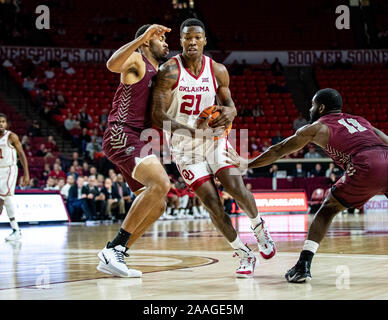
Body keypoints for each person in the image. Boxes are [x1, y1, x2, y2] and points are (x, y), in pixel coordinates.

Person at [151, 18, 275, 278]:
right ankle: (243, 252)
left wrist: (230, 112)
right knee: (211, 203)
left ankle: (259, 228)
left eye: (197, 37)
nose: (192, 41)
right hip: (184, 146)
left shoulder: (217, 70)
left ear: (205, 40)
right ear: (180, 41)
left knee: (237, 188)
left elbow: (230, 105)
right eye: (187, 37)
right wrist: (193, 131)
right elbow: (157, 116)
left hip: (214, 140)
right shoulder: (169, 71)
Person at [225, 88, 388, 283]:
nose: (310, 110)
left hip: (365, 164)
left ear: (321, 107)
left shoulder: (317, 127)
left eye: (312, 106)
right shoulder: (361, 121)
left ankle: (303, 264)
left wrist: (247, 163)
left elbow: (279, 150)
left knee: (328, 209)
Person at [97, 24, 172, 278]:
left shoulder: (159, 73)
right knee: (161, 182)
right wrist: (141, 37)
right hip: (121, 133)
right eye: (159, 39)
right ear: (146, 42)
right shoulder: (137, 61)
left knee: (158, 205)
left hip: (137, 137)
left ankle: (115, 252)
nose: (165, 43)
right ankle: (115, 247)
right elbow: (110, 65)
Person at [0, 113, 30, 241]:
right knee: (5, 200)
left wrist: (26, 174)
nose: (0, 124)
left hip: (9, 169)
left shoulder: (11, 136)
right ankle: (16, 230)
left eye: (2, 121)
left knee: (4, 197)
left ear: (6, 124)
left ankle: (16, 230)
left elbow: (22, 155)